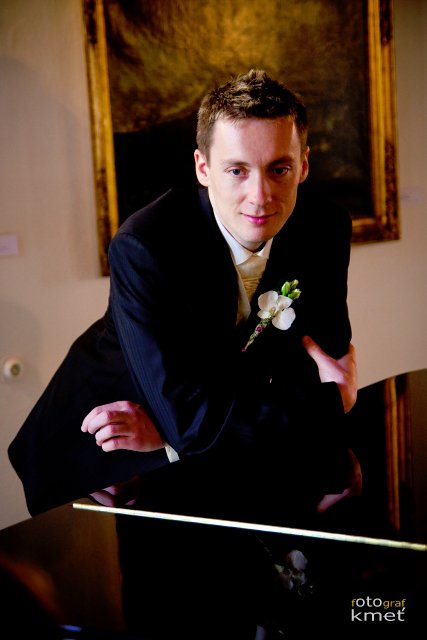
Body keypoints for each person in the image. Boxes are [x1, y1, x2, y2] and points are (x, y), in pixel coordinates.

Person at [9, 68, 360, 638]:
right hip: (113, 451)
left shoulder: (325, 225)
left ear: (304, 164)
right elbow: (210, 414)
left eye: (279, 168)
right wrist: (329, 404)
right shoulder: (145, 245)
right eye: (236, 170)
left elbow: (327, 348)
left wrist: (177, 430)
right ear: (203, 168)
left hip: (208, 451)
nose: (260, 195)